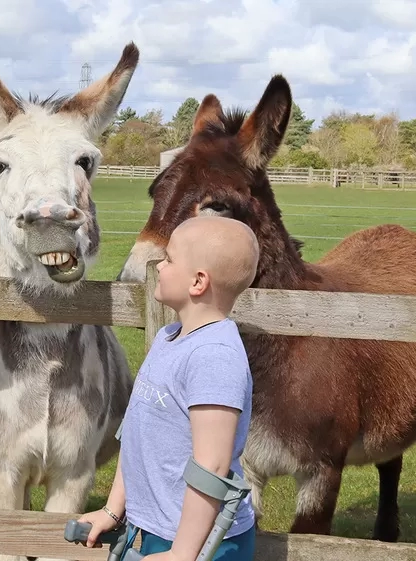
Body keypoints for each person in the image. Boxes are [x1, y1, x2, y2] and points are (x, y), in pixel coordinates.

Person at [78, 215, 261, 561]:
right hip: (161, 533)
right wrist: (114, 510)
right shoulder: (168, 338)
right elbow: (137, 433)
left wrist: (181, 553)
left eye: (169, 258)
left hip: (205, 545)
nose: (158, 266)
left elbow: (212, 467)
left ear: (198, 282)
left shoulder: (214, 358)